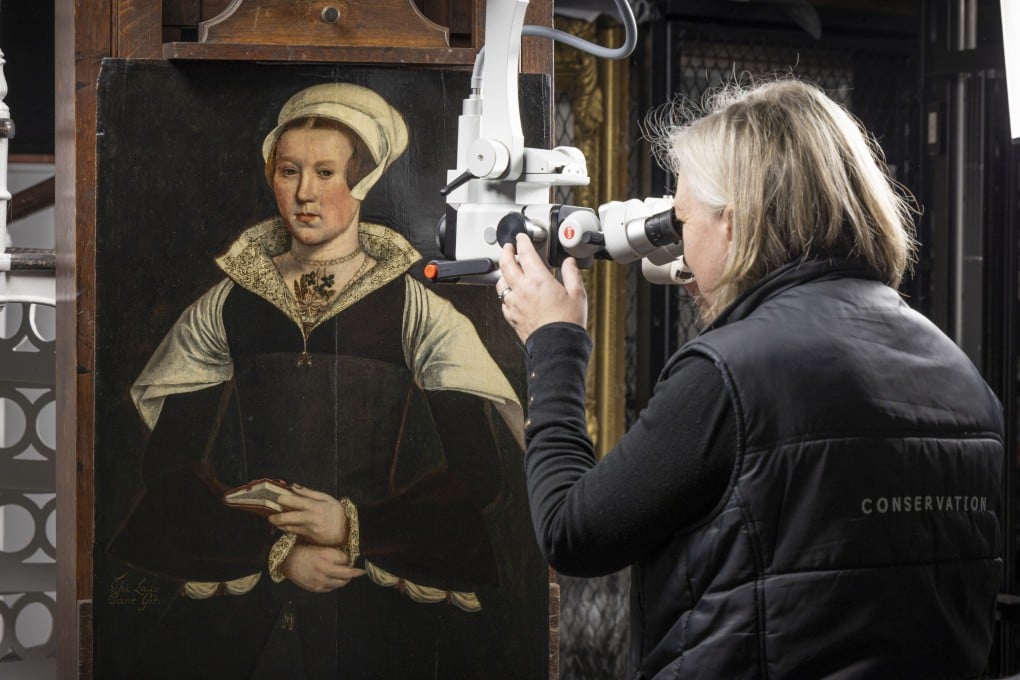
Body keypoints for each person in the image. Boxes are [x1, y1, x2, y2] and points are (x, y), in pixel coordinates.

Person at [496, 78, 1004, 679]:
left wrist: (554, 343)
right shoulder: (962, 375)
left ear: (733, 225)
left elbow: (573, 533)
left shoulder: (729, 375)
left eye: (682, 221)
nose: (679, 248)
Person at [109, 82, 528, 679]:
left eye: (326, 172)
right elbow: (169, 467)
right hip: (246, 584)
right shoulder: (226, 304)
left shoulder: (418, 310)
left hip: (375, 588)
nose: (304, 193)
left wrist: (352, 527)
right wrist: (278, 553)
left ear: (364, 180)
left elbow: (478, 475)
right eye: (289, 171)